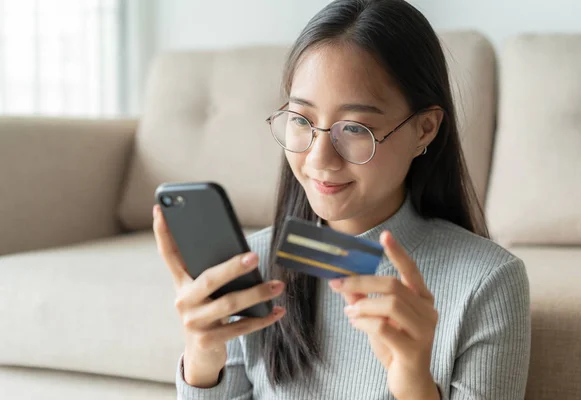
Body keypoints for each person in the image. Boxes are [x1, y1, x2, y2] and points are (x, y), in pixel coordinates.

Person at [153, 0, 531, 398]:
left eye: (354, 127)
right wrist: (202, 361)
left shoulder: (487, 282)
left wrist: (414, 384)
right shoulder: (252, 266)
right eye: (301, 120)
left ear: (424, 128)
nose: (319, 159)